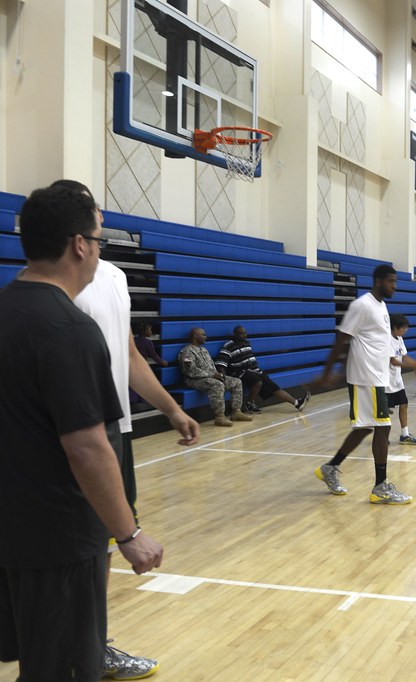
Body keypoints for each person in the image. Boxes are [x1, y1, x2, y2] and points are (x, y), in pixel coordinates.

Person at [0, 185, 164, 682]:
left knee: (34, 658)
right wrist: (129, 533)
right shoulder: (69, 329)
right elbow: (88, 447)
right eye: (99, 241)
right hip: (61, 536)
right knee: (66, 669)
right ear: (79, 244)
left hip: (12, 528)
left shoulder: (6, 308)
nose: (98, 251)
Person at [63, 179, 201, 679]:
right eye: (95, 222)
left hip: (115, 431)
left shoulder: (116, 278)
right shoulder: (60, 289)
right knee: (76, 547)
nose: (101, 229)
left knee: (98, 545)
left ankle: (91, 644)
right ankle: (74, 649)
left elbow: (127, 355)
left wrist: (170, 409)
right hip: (77, 433)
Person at [313, 264, 411, 504]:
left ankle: (330, 467)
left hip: (377, 377)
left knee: (366, 428)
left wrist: (407, 365)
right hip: (364, 378)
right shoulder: (362, 305)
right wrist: (329, 371)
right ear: (378, 281)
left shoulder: (382, 306)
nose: (394, 286)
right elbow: (342, 339)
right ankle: (380, 487)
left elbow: (379, 345)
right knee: (383, 427)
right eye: (390, 281)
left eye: (395, 282)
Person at [213, 325, 310, 414]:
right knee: (257, 382)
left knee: (274, 387)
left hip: (255, 371)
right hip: (240, 372)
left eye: (245, 333)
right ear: (235, 334)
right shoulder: (228, 346)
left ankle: (297, 403)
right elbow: (221, 362)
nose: (244, 335)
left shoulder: (247, 343)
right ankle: (249, 404)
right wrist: (224, 376)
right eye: (241, 333)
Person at [178, 327, 253, 427]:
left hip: (210, 377)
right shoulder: (187, 352)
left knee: (236, 382)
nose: (206, 337)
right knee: (217, 385)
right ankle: (219, 417)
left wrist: (219, 375)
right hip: (194, 380)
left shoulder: (204, 350)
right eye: (203, 335)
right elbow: (191, 371)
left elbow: (211, 367)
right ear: (195, 336)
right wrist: (213, 375)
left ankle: (236, 412)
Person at [387, 314, 416, 446]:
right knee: (384, 412)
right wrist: (413, 366)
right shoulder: (387, 340)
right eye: (403, 328)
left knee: (404, 404)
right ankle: (382, 437)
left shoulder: (399, 339)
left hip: (397, 380)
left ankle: (405, 435)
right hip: (386, 382)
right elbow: (394, 361)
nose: (405, 330)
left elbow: (405, 356)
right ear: (395, 328)